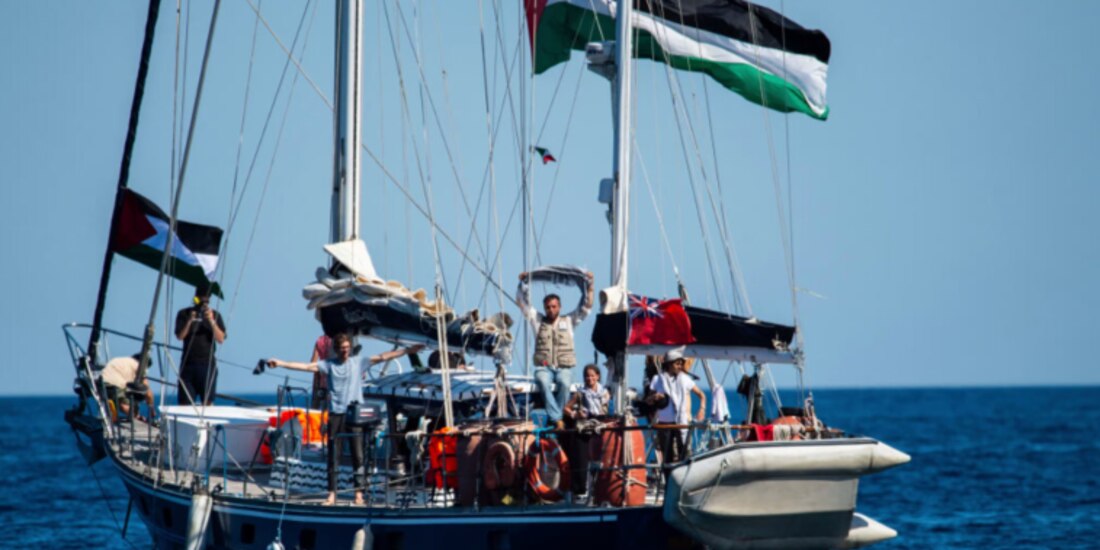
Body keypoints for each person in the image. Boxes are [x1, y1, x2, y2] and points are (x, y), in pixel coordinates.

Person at [267, 334, 423, 505]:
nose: (345, 352)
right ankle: (332, 494)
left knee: (358, 455)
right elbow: (306, 366)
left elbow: (383, 356)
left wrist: (409, 351)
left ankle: (359, 494)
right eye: (342, 349)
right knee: (334, 456)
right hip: (335, 414)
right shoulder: (328, 365)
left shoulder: (358, 362)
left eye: (348, 348)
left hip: (354, 413)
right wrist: (281, 363)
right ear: (336, 350)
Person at [517, 270, 595, 429]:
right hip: (544, 368)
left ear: (559, 307)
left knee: (564, 383)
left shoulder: (569, 321)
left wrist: (590, 285)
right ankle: (558, 419)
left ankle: (556, 418)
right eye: (547, 307)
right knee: (543, 382)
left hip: (563, 368)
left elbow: (587, 305)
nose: (550, 310)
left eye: (553, 306)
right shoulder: (537, 321)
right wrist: (523, 283)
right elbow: (521, 302)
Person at [648, 347, 706, 464]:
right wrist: (654, 397)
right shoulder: (657, 379)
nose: (680, 366)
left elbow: (701, 394)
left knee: (684, 455)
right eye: (677, 364)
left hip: (681, 423)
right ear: (669, 364)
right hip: (664, 424)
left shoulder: (685, 379)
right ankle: (668, 478)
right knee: (667, 457)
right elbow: (648, 401)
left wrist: (702, 409)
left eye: (681, 364)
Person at [174, 283, 226, 406]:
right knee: (184, 403)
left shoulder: (215, 315)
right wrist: (190, 321)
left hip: (207, 364)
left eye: (206, 302)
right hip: (188, 364)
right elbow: (179, 336)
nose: (203, 305)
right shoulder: (184, 314)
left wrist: (211, 321)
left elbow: (221, 339)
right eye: (201, 301)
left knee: (207, 403)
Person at [101, 354, 156, 424]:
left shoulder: (121, 360)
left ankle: (130, 415)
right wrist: (152, 410)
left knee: (119, 398)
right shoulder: (140, 367)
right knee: (124, 403)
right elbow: (148, 392)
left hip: (102, 383)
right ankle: (137, 418)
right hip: (115, 383)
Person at [309, 335, 333, 410]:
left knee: (318, 409)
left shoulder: (320, 340)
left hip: (321, 380)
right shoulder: (340, 340)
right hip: (334, 380)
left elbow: (313, 363)